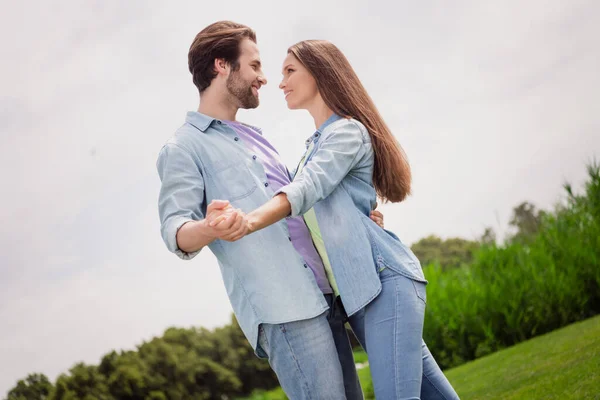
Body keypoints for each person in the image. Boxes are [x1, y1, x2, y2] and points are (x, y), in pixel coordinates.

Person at [216, 40, 460, 399]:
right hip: (360, 295)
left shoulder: (346, 132)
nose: (280, 82)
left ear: (320, 73)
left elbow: (308, 188)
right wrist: (361, 219)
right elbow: (326, 211)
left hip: (384, 284)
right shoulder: (312, 147)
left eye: (289, 71)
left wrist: (249, 222)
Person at [157, 21, 383, 399]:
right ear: (222, 66)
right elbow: (175, 230)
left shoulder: (255, 138)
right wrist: (211, 227)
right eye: (255, 66)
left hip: (324, 295)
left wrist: (356, 216)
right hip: (284, 310)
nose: (264, 78)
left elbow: (298, 209)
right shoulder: (184, 147)